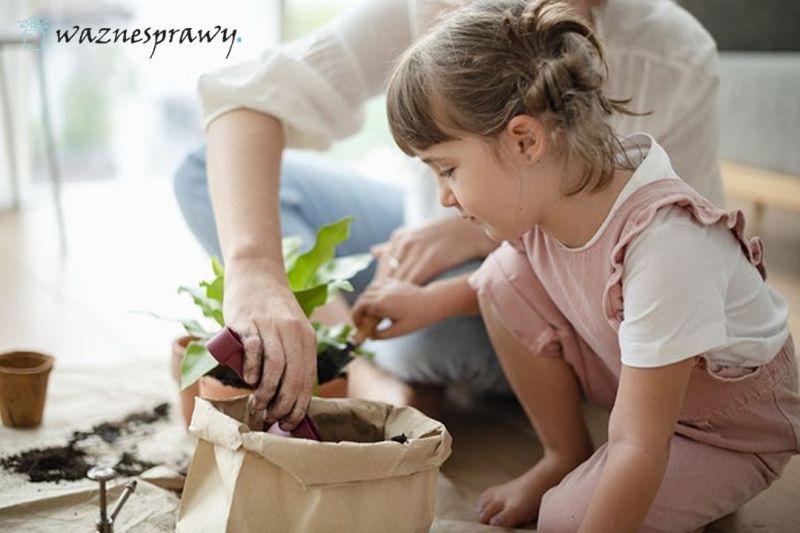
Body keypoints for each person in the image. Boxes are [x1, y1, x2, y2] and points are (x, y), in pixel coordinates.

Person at [174, 0, 724, 429]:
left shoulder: (671, 57)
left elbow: (673, 257)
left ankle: (383, 363)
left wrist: (473, 242)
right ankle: (352, 366)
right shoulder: (426, 13)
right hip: (427, 238)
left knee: (431, 337)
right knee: (205, 170)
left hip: (566, 280)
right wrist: (255, 270)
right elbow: (249, 98)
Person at [373, 0, 800, 530]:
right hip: (648, 394)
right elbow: (495, 282)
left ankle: (709, 481)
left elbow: (638, 445)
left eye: (448, 170)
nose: (443, 197)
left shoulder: (666, 246)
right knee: (504, 277)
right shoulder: (555, 197)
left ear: (525, 140)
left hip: (728, 432)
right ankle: (565, 455)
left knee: (566, 518)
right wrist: (427, 303)